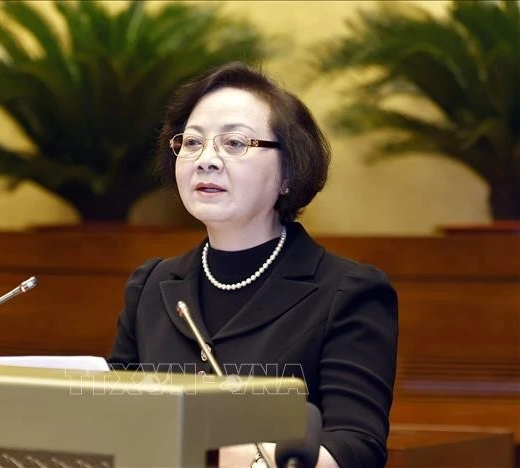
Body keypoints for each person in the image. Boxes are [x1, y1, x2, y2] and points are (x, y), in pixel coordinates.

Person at [108, 62, 398, 468]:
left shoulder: (348, 292)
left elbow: (356, 445)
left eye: (234, 143)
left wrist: (220, 457)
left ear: (288, 172)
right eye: (191, 143)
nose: (206, 160)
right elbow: (112, 419)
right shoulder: (151, 286)